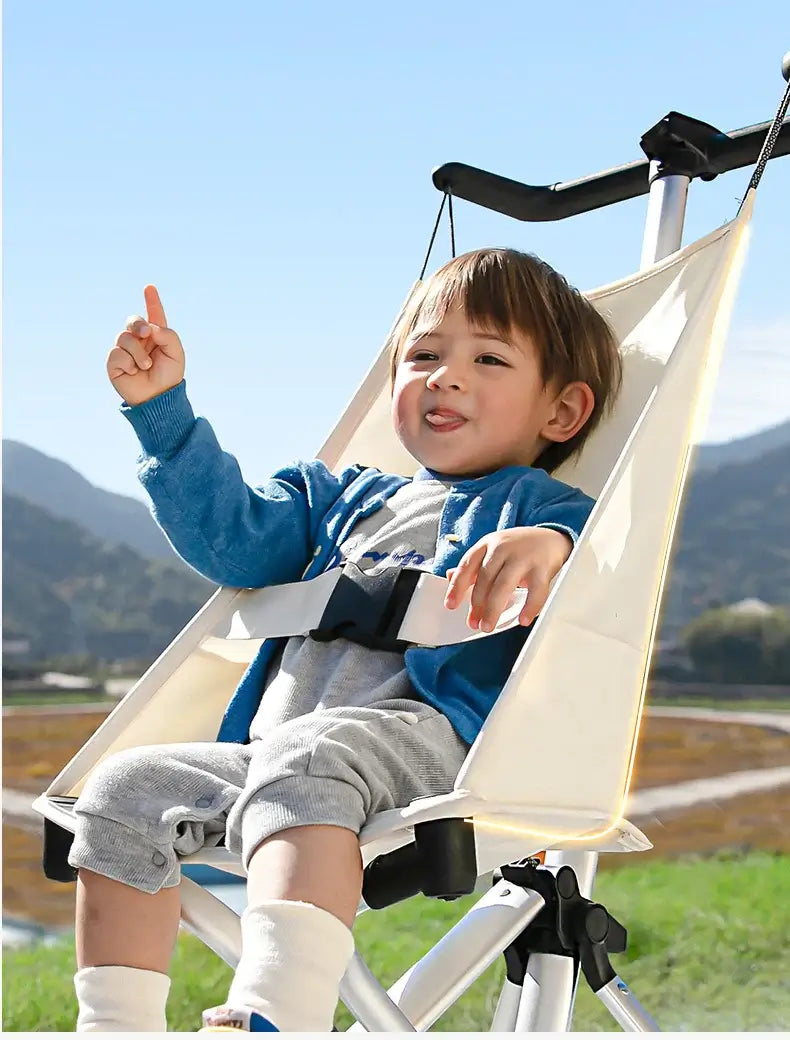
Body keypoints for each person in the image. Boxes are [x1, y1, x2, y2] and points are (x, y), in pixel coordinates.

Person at [69, 248, 622, 1032]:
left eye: (487, 359)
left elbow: (595, 557)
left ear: (560, 413)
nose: (445, 376)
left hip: (432, 750)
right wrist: (164, 413)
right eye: (423, 355)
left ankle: (278, 1015)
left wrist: (549, 546)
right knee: (122, 789)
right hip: (281, 759)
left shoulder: (540, 505)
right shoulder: (339, 496)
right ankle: (115, 1023)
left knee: (310, 755)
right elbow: (233, 542)